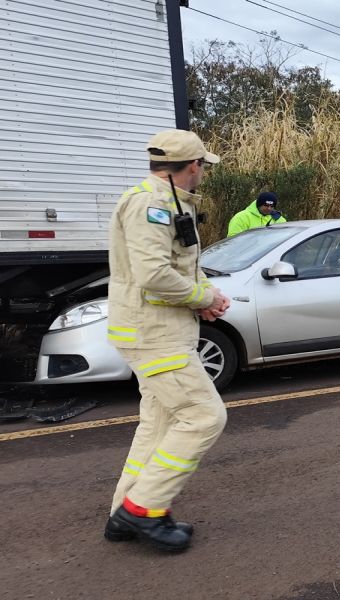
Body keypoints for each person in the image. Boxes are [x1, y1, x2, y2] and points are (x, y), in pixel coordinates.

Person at [103, 129, 232, 552]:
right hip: (154, 335)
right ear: (193, 166)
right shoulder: (152, 204)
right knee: (204, 416)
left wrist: (200, 300)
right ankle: (142, 510)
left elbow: (174, 267)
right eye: (203, 167)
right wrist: (206, 297)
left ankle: (125, 511)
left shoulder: (164, 201)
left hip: (158, 329)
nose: (203, 174)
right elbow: (154, 275)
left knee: (157, 424)